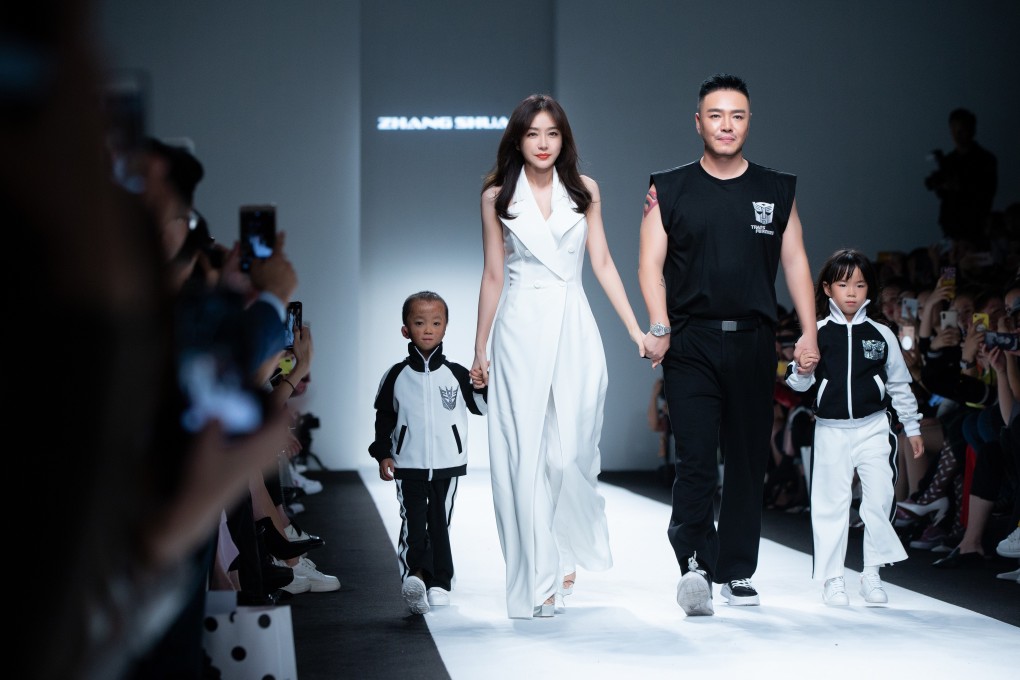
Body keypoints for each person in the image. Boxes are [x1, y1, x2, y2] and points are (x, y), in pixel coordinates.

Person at [637, 73, 819, 616]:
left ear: (748, 122)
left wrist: (809, 330)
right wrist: (660, 324)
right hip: (690, 340)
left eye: (736, 115)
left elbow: (796, 261)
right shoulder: (667, 188)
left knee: (744, 460)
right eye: (715, 115)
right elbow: (649, 264)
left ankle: (735, 569)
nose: (726, 125)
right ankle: (694, 564)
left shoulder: (775, 187)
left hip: (755, 341)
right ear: (698, 122)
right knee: (696, 457)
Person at [470, 94, 644, 619]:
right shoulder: (497, 196)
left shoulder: (584, 191)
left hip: (573, 325)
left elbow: (605, 263)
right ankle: (539, 578)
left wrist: (637, 329)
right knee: (524, 456)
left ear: (564, 139)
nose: (543, 144)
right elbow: (494, 275)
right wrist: (478, 346)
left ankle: (564, 544)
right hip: (519, 328)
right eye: (532, 134)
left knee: (570, 453)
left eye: (552, 134)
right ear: (517, 140)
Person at [786, 249, 924, 605]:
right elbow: (798, 383)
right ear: (828, 288)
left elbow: (899, 384)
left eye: (860, 284)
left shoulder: (882, 334)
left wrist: (912, 427)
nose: (852, 292)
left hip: (874, 426)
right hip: (830, 428)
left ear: (869, 290)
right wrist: (802, 370)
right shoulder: (814, 332)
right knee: (831, 504)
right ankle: (833, 579)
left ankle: (872, 574)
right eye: (844, 284)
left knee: (879, 498)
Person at [370, 291, 488, 615]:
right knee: (412, 522)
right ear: (406, 329)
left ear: (446, 328)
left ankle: (439, 583)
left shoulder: (458, 374)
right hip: (408, 464)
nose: (428, 329)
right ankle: (415, 578)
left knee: (439, 523)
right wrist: (383, 453)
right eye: (419, 323)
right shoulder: (395, 376)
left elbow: (481, 408)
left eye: (436, 323)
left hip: (448, 464)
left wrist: (481, 386)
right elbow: (384, 418)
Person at [924, 108, 997, 243]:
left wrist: (958, 186)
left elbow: (985, 192)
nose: (957, 135)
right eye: (954, 130)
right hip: (951, 224)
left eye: (961, 130)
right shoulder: (949, 161)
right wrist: (941, 184)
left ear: (971, 130)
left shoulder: (984, 160)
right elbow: (937, 188)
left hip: (975, 223)